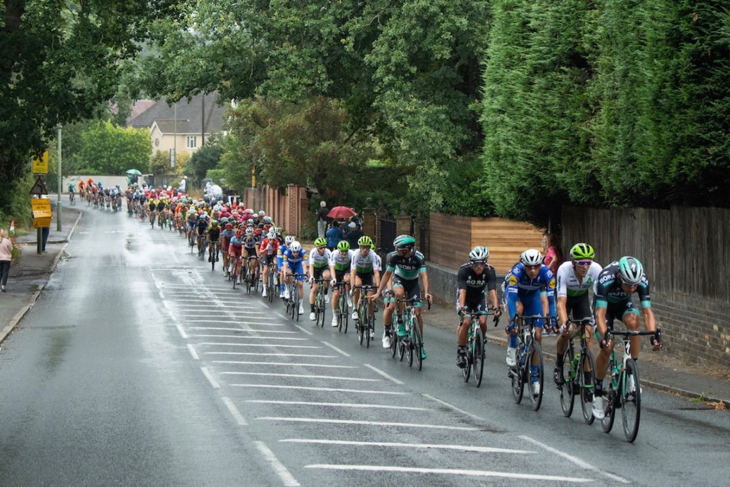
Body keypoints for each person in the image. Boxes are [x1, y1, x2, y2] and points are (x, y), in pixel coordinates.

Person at [591, 256, 662, 420]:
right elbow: (600, 315)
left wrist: (653, 336)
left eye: (635, 285)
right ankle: (597, 392)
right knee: (607, 347)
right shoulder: (606, 279)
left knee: (633, 322)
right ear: (619, 277)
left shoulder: (641, 280)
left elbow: (647, 311)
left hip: (623, 304)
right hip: (604, 306)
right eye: (628, 284)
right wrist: (604, 337)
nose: (632, 288)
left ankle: (631, 372)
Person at [504, 248, 556, 397]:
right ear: (523, 265)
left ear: (541, 265)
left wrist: (552, 319)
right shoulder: (517, 272)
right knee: (517, 313)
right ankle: (513, 346)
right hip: (515, 296)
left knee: (538, 336)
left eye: (536, 267)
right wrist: (513, 322)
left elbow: (551, 301)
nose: (533, 270)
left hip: (533, 297)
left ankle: (535, 378)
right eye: (529, 267)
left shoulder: (547, 274)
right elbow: (512, 300)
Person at [370, 235, 432, 360]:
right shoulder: (394, 257)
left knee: (418, 313)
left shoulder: (418, 257)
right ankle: (399, 321)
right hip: (399, 280)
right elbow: (387, 275)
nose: (396, 251)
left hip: (413, 283)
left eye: (399, 249)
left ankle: (420, 344)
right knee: (398, 294)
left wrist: (426, 292)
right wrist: (379, 292)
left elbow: (424, 276)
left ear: (407, 249)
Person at [553, 243, 603, 385]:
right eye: (581, 263)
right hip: (566, 300)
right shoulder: (564, 270)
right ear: (573, 262)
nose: (585, 267)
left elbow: (600, 299)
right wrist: (564, 323)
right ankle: (559, 365)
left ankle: (588, 380)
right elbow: (561, 303)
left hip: (582, 299)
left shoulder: (596, 269)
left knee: (587, 338)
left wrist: (596, 319)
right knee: (567, 332)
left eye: (588, 262)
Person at [455, 246, 502, 368]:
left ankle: (480, 340)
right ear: (471, 263)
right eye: (476, 264)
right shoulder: (464, 271)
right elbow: (462, 292)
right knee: (466, 321)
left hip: (479, 297)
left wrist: (496, 307)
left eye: (482, 263)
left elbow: (492, 290)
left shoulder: (490, 271)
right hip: (465, 297)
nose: (479, 267)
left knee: (483, 320)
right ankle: (461, 351)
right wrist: (461, 307)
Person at [308, 237, 332, 320]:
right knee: (314, 289)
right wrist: (311, 276)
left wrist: (333, 277)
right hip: (315, 269)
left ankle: (325, 293)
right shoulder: (313, 252)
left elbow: (331, 265)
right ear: (317, 248)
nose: (323, 249)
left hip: (324, 267)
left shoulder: (328, 252)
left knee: (326, 276)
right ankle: (312, 311)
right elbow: (311, 266)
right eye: (321, 248)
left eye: (324, 247)